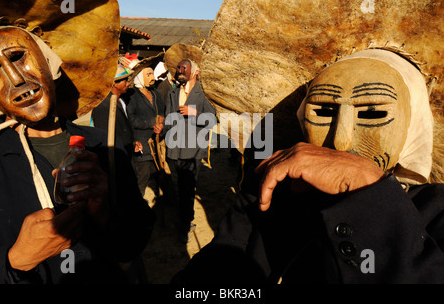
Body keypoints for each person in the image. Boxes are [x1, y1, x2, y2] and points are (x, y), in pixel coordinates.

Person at [171, 49, 444, 283]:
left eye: (373, 113)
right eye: (324, 111)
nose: (340, 140)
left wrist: (369, 189)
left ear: (414, 121)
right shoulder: (275, 194)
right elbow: (216, 277)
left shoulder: (438, 210)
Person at [0, 25, 154, 284]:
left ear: (48, 61)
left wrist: (105, 212)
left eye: (17, 57)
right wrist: (15, 260)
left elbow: (133, 243)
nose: (16, 79)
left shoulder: (103, 145)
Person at [165, 59, 217, 242]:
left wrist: (194, 113)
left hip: (192, 150)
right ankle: (185, 219)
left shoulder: (203, 94)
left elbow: (212, 119)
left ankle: (185, 224)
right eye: (178, 68)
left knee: (187, 188)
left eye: (184, 68)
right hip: (175, 149)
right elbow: (168, 118)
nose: (180, 71)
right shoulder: (172, 93)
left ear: (194, 72)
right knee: (180, 185)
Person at [127, 65, 166, 197]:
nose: (153, 77)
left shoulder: (156, 93)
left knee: (162, 176)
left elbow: (163, 113)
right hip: (142, 144)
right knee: (142, 178)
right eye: (148, 74)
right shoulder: (131, 95)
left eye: (152, 74)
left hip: (157, 143)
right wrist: (151, 122)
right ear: (139, 77)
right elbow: (131, 119)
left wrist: (162, 124)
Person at [91, 65, 135, 159]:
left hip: (126, 152)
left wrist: (133, 142)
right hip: (116, 155)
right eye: (125, 81)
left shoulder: (122, 100)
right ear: (115, 84)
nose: (128, 84)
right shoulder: (103, 105)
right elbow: (104, 136)